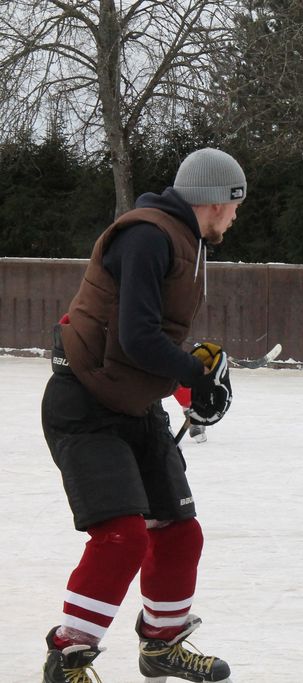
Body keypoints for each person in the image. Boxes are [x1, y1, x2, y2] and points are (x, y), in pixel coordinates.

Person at [40, 148, 243, 683]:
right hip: (86, 405)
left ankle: (161, 645)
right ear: (216, 201)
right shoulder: (149, 236)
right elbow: (135, 336)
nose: (235, 217)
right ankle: (67, 656)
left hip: (134, 404)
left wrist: (192, 372)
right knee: (122, 536)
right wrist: (194, 375)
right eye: (235, 205)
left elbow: (145, 334)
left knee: (179, 533)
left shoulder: (185, 240)